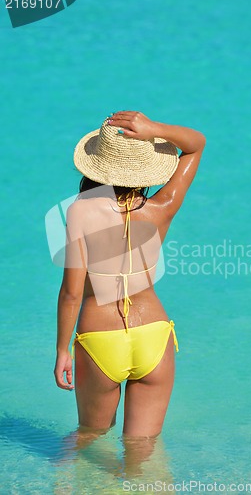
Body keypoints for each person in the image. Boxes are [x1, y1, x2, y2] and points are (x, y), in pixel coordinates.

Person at [54, 111, 205, 440]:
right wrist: (154, 129)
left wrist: (62, 350)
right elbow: (196, 145)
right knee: (142, 450)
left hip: (100, 337)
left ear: (97, 165)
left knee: (88, 437)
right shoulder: (162, 206)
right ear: (145, 169)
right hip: (153, 333)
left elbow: (71, 293)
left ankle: (60, 487)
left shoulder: (80, 210)